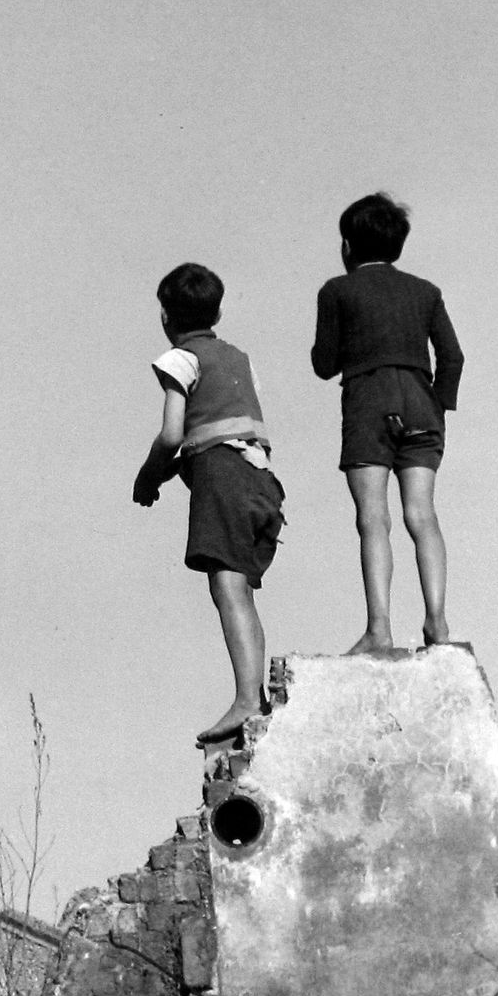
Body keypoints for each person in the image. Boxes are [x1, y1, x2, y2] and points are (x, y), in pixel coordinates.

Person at [133, 263, 285, 746]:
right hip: (261, 480)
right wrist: (178, 469)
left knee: (227, 589)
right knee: (241, 589)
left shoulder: (181, 359)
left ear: (164, 316)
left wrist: (149, 474)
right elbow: (221, 429)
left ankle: (245, 699)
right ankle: (255, 697)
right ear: (217, 311)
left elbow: (173, 434)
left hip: (223, 482)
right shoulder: (239, 358)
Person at [311, 192, 464, 653]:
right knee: (422, 514)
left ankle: (379, 628)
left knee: (373, 518)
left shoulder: (337, 290)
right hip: (421, 403)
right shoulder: (425, 291)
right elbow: (453, 357)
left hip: (368, 403)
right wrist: (438, 404)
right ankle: (437, 624)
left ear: (347, 246)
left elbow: (324, 363)